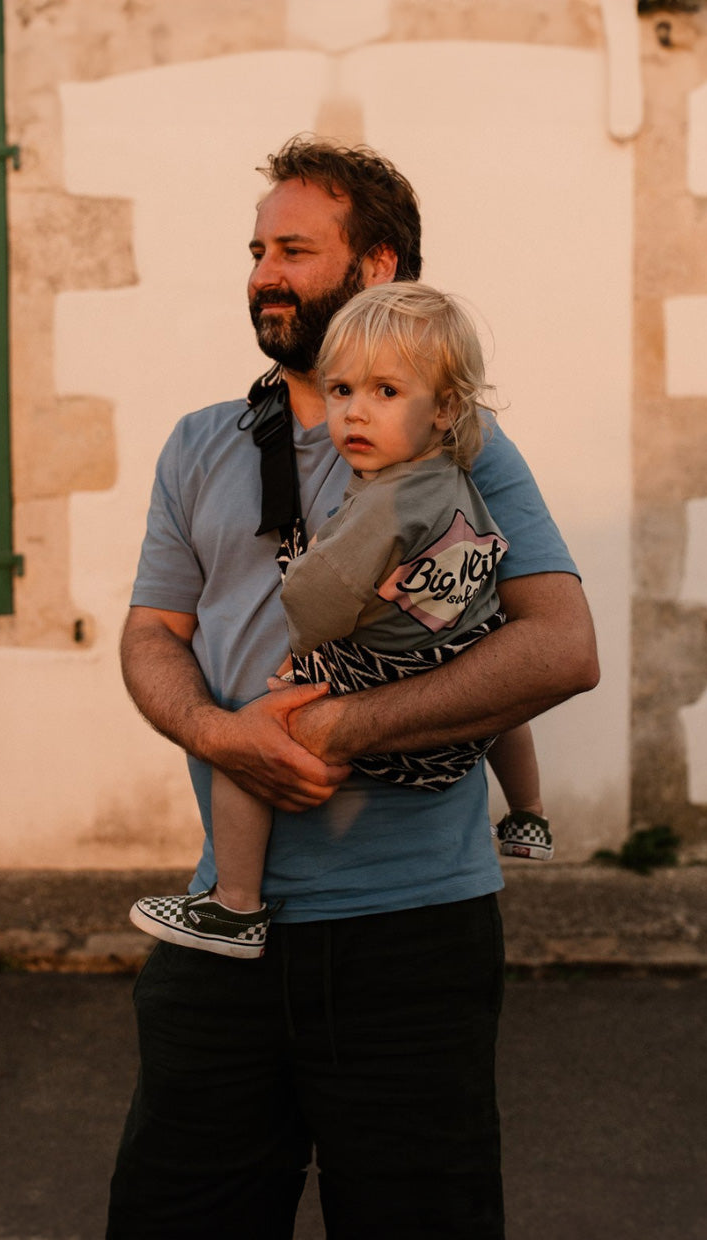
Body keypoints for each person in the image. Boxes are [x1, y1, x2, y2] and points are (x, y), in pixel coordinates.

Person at [107, 136, 598, 1240]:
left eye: (294, 250)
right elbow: (149, 637)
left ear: (374, 265)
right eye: (257, 252)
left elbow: (561, 646)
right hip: (229, 929)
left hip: (411, 939)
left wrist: (340, 731)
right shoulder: (199, 445)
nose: (264, 274)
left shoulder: (461, 447)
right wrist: (221, 734)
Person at [128, 281, 552, 958]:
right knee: (504, 700)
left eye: (385, 393)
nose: (354, 414)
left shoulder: (383, 504)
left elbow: (317, 599)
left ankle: (236, 905)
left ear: (444, 407)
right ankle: (528, 814)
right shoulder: (455, 471)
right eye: (341, 391)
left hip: (382, 679)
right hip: (456, 655)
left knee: (250, 738)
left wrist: (307, 581)